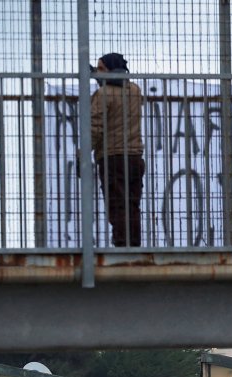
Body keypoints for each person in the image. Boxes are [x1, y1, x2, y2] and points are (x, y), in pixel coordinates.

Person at [90, 52, 144, 246]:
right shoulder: (135, 90)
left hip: (113, 157)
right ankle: (133, 244)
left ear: (110, 71)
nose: (97, 72)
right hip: (135, 157)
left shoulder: (103, 94)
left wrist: (84, 152)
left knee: (117, 204)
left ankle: (122, 245)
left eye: (101, 69)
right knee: (132, 204)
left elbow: (94, 127)